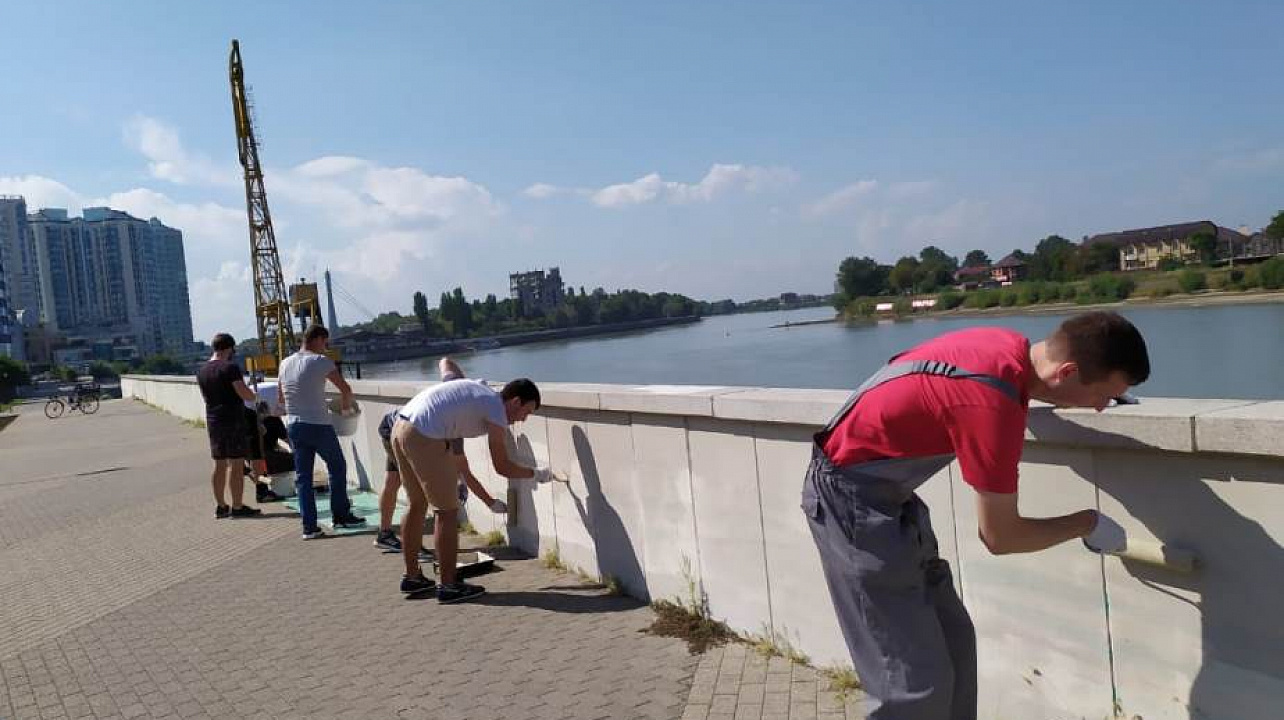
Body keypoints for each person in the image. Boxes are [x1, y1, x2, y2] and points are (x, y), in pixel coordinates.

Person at [801, 311, 1150, 720]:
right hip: (851, 505)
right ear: (1068, 371)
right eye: (1105, 396)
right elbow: (1000, 537)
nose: (1103, 410)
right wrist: (1086, 523)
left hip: (887, 500)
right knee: (912, 684)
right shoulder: (992, 401)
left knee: (956, 645)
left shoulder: (1003, 347)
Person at [391, 372, 554, 603]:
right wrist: (536, 474)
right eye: (526, 412)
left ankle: (412, 577)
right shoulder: (496, 410)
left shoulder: (482, 391)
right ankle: (448, 585)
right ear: (515, 401)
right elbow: (502, 466)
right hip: (425, 434)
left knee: (417, 504)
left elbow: (450, 369)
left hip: (401, 426)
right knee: (446, 512)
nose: (522, 420)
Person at [373, 357, 508, 552]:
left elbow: (445, 362)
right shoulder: (453, 432)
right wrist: (491, 503)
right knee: (417, 495)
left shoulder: (455, 395)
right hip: (403, 430)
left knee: (394, 481)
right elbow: (466, 474)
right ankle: (410, 546)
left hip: (399, 424)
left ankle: (385, 534)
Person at [278, 324, 365, 539]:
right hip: (318, 424)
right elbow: (345, 389)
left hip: (294, 424)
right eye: (325, 343)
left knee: (303, 478)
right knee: (337, 467)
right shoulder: (320, 361)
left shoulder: (285, 363)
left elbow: (281, 399)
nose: (325, 347)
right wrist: (344, 409)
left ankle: (310, 528)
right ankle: (341, 516)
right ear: (317, 339)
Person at [195, 333, 263, 519]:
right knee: (237, 464)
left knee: (219, 464)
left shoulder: (202, 371)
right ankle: (238, 507)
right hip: (233, 420)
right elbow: (243, 393)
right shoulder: (230, 367)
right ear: (229, 348)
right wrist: (256, 397)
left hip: (214, 420)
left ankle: (221, 506)